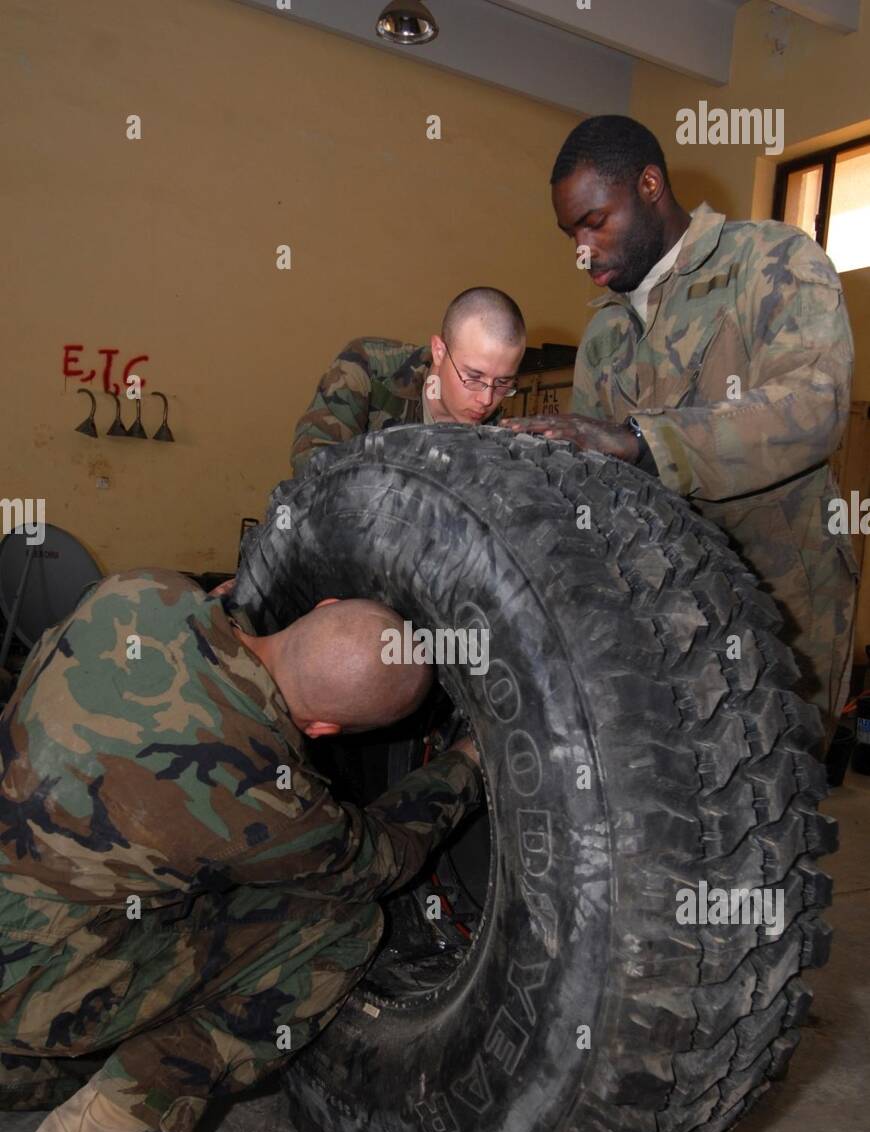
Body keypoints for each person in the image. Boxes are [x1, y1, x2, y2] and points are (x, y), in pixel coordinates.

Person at [0, 569, 481, 1132]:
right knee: (338, 925)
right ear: (323, 727)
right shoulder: (270, 796)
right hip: (27, 980)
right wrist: (464, 764)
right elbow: (381, 859)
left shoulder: (140, 592)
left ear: (325, 604)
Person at [507, 115, 858, 749]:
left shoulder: (770, 261)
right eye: (570, 233)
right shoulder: (605, 336)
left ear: (649, 185)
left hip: (784, 612)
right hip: (665, 619)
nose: (581, 250)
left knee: (771, 808)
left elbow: (815, 407)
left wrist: (647, 443)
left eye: (594, 222)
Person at [290, 285, 526, 474]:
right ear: (440, 351)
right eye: (474, 377)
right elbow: (311, 460)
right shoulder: (369, 369)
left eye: (503, 383)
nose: (486, 399)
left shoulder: (498, 434)